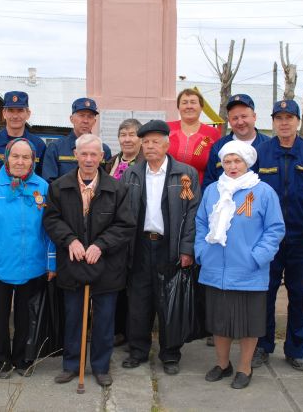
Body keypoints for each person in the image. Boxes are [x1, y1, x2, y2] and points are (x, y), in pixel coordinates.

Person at [43, 134, 135, 388]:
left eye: (94, 154)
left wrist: (100, 245)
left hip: (107, 266)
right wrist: (70, 240)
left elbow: (125, 225)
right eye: (84, 154)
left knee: (105, 319)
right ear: (75, 154)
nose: (89, 159)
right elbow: (51, 219)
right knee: (73, 317)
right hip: (73, 263)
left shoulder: (117, 188)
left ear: (102, 157)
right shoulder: (59, 186)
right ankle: (71, 364)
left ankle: (101, 366)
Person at [195, 140, 285, 389]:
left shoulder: (263, 191)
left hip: (249, 270)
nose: (232, 166)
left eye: (237, 161)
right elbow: (201, 222)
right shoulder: (213, 190)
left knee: (249, 323)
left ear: (247, 163)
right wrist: (201, 251)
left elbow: (275, 229)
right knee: (219, 321)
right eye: (227, 161)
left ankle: (245, 368)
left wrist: (257, 257)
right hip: (215, 268)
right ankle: (223, 364)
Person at [0, 138, 56, 378]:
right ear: (6, 157)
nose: (20, 161)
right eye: (15, 156)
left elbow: (51, 229)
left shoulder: (43, 188)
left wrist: (51, 262)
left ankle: (23, 359)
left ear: (33, 161)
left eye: (26, 157)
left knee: (27, 318)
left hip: (33, 267)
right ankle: (0, 361)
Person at [121, 120, 200, 375]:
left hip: (171, 246)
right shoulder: (132, 174)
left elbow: (192, 214)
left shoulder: (185, 174)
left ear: (167, 144)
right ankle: (138, 351)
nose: (150, 146)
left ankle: (170, 354)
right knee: (139, 301)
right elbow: (122, 212)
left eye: (156, 141)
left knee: (170, 301)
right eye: (146, 141)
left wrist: (187, 249)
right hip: (140, 244)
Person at [252, 100, 303, 371]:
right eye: (279, 117)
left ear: (298, 121)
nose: (284, 122)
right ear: (273, 122)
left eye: (289, 117)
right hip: (268, 239)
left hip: (301, 238)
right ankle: (263, 346)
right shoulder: (261, 153)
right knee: (265, 294)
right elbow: (251, 194)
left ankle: (296, 349)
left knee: (298, 294)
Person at [102, 117, 143, 346]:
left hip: (135, 231)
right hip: (112, 233)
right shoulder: (110, 163)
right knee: (114, 282)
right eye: (123, 135)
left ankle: (132, 332)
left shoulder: (146, 163)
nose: (127, 139)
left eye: (132, 134)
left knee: (134, 285)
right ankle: (116, 330)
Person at [203, 94, 270, 190]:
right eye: (235, 118)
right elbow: (209, 184)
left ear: (254, 117)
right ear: (229, 120)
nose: (240, 122)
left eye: (244, 116)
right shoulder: (218, 148)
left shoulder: (269, 146)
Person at [41, 97, 111, 183]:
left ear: (94, 121)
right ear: (71, 119)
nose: (85, 121)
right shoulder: (56, 148)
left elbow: (107, 181)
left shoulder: (103, 149)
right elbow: (49, 182)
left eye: (90, 117)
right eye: (81, 115)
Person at [0, 90, 47, 174]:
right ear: (4, 113)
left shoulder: (38, 145)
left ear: (28, 114)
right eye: (10, 110)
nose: (15, 116)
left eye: (20, 110)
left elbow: (42, 177)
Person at [168, 88, 221, 184]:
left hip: (199, 191)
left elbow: (217, 166)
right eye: (184, 103)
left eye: (193, 102)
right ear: (178, 107)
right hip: (167, 190)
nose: (189, 106)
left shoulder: (213, 133)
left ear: (201, 107)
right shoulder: (167, 128)